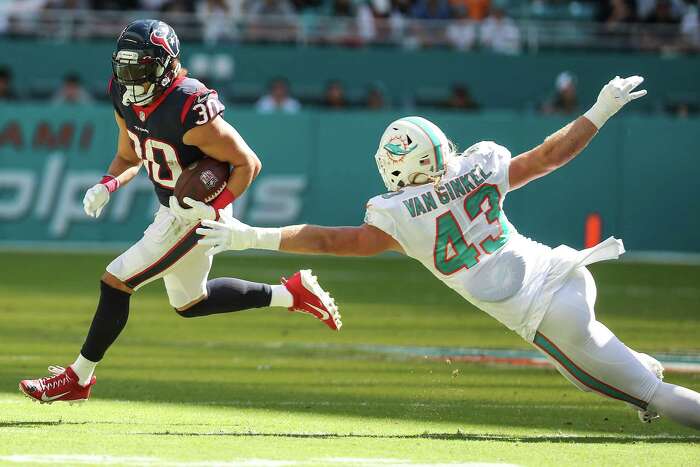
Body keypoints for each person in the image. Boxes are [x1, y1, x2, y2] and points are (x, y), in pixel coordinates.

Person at [197, 76, 700, 430]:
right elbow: (549, 156)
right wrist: (600, 110)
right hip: (566, 271)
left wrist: (249, 236)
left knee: (639, 392)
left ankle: (643, 383)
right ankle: (636, 371)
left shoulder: (396, 214)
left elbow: (331, 241)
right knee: (595, 372)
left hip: (543, 312)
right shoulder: (476, 166)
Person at [18, 19, 341, 405]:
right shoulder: (123, 95)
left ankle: (78, 377)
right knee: (191, 303)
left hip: (194, 211)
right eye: (125, 67)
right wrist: (108, 184)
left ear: (166, 64)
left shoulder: (187, 105)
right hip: (171, 207)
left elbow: (248, 164)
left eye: (141, 68)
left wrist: (214, 210)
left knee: (116, 280)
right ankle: (292, 294)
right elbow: (127, 155)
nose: (131, 77)